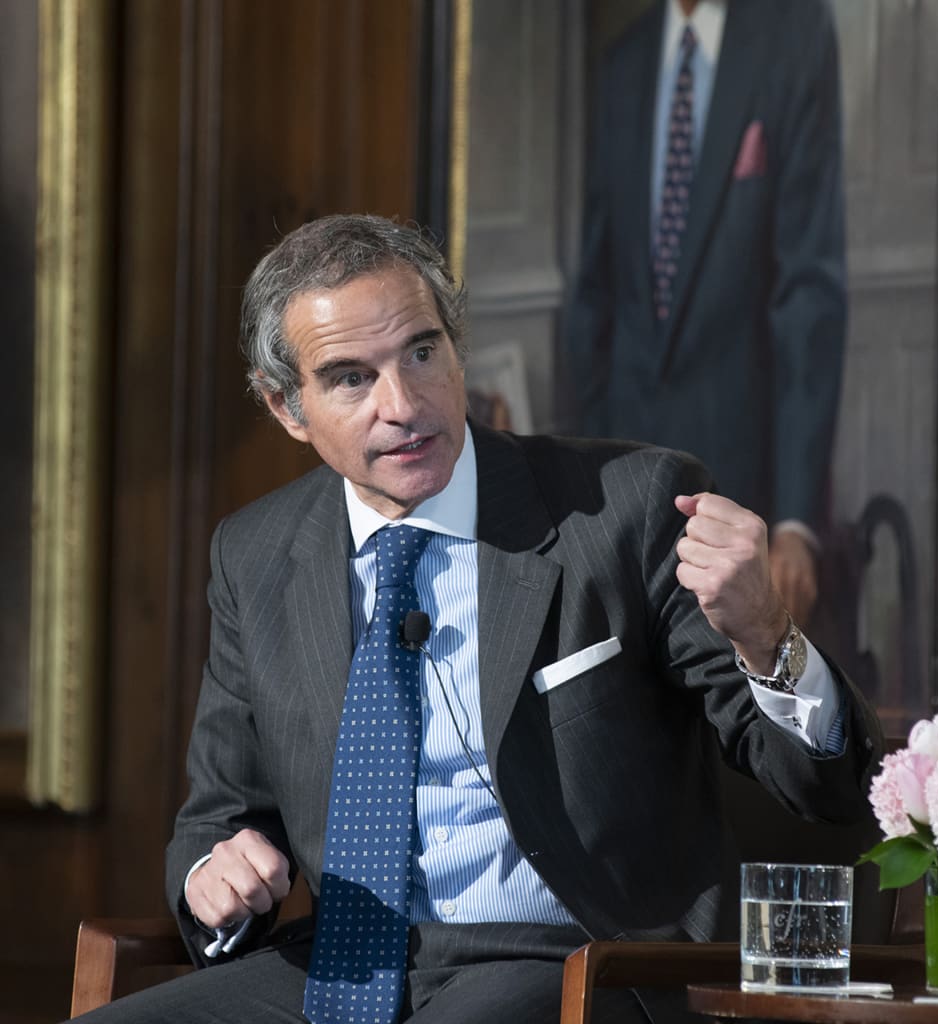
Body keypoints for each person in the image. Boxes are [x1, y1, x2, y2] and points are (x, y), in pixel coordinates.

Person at [74, 214, 881, 1024]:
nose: (403, 404)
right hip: (341, 960)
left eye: (422, 353)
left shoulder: (623, 511)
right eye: (352, 378)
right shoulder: (254, 555)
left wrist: (764, 633)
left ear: (458, 352)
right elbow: (221, 814)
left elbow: (831, 788)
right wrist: (216, 879)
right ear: (287, 406)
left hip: (575, 960)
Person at [562, 0, 847, 627]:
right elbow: (595, 293)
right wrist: (572, 485)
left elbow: (808, 294)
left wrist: (796, 520)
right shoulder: (622, 63)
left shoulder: (792, 37)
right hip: (620, 486)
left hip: (744, 485)